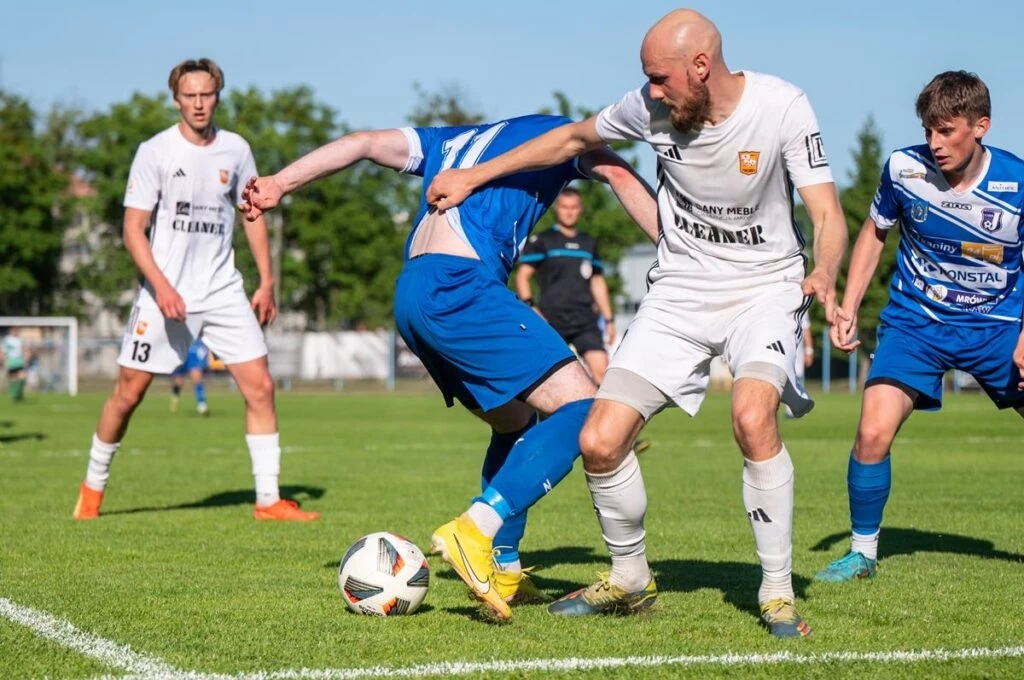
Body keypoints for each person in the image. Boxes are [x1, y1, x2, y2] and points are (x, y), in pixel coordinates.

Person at [427, 9, 848, 636]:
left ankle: (778, 593)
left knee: (751, 416)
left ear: (701, 66)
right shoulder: (650, 108)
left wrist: (826, 272)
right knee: (599, 439)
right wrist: (475, 175)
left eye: (659, 78)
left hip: (764, 290)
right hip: (679, 292)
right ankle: (629, 579)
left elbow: (827, 213)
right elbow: (570, 139)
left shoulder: (782, 106)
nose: (651, 90)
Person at [242, 115, 657, 621]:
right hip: (461, 287)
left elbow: (362, 142)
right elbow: (617, 171)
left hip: (413, 293)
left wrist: (280, 183)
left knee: (513, 422)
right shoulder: (558, 135)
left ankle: (504, 566)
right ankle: (476, 529)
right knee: (586, 409)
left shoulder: (449, 140)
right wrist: (683, 252)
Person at [73, 58, 318, 522]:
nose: (199, 103)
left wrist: (267, 281)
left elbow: (252, 214)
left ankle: (268, 500)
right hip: (166, 294)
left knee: (261, 387)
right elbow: (132, 230)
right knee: (128, 395)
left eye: (207, 94)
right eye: (190, 95)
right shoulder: (156, 151)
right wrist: (162, 287)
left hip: (223, 289)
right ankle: (92, 488)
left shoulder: (236, 150)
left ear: (217, 96)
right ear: (176, 99)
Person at [816, 71, 1024, 582]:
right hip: (916, 325)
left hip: (998, 326)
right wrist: (849, 304)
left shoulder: (1017, 182)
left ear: (981, 126)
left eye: (946, 131)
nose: (934, 143)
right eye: (928, 130)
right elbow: (874, 232)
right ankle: (862, 554)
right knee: (871, 431)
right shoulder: (903, 169)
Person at [516, 187, 616, 383]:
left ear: (580, 209)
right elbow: (522, 276)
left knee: (603, 376)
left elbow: (597, 281)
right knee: (549, 379)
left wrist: (609, 319)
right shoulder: (543, 240)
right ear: (557, 208)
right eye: (564, 207)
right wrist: (531, 307)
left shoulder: (588, 243)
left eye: (573, 207)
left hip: (585, 320)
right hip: (551, 319)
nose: (569, 212)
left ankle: (595, 405)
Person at [170, 338, 211, 415]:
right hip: (181, 347)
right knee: (179, 382)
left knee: (197, 378)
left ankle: (201, 404)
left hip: (195, 348)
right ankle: (175, 398)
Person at [784, 315, 814, 418]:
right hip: (779, 349)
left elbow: (806, 328)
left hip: (795, 350)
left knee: (795, 377)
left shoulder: (801, 308)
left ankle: (796, 407)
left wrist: (809, 351)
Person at [2, 328, 29, 403]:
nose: (15, 332)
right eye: (13, 330)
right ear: (10, 331)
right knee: (13, 378)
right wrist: (3, 361)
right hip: (11, 362)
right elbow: (3, 351)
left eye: (16, 330)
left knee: (22, 377)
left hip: (20, 361)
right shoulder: (7, 340)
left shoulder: (20, 340)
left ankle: (19, 393)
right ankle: (15, 395)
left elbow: (25, 349)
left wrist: (26, 357)